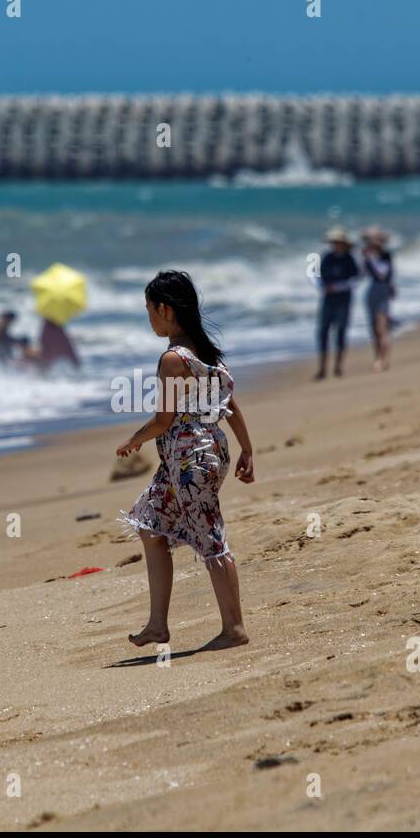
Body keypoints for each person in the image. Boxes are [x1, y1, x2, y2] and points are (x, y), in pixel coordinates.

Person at [117, 270, 256, 651]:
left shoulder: (173, 359)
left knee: (210, 538)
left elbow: (164, 420)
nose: (148, 318)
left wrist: (134, 440)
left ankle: (234, 628)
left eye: (149, 310)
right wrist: (246, 449)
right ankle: (157, 625)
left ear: (165, 309)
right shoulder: (205, 352)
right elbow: (231, 406)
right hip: (208, 450)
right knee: (149, 523)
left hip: (190, 459)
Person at [314, 227, 359, 380]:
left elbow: (355, 280)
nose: (335, 244)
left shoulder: (349, 259)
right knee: (323, 332)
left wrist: (337, 287)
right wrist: (323, 287)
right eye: (333, 242)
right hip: (328, 299)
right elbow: (316, 276)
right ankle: (322, 368)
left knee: (341, 331)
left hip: (343, 300)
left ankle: (338, 367)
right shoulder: (327, 257)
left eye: (338, 242)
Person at [360, 227, 396, 371]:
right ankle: (377, 357)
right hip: (372, 290)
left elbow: (383, 274)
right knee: (374, 329)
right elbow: (360, 275)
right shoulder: (365, 256)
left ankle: (383, 359)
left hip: (382, 291)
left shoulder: (385, 255)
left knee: (382, 328)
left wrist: (370, 258)